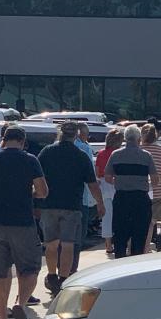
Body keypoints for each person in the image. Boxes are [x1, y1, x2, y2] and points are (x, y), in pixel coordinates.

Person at [0, 125, 48, 319]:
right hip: (23, 222)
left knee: (0, 271)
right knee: (29, 268)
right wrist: (30, 193)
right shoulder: (30, 160)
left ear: (3, 139)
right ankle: (21, 303)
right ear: (23, 141)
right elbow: (43, 192)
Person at [38, 121, 104, 294]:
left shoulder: (47, 152)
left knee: (51, 244)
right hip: (72, 205)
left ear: (60, 133)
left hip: (49, 204)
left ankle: (51, 275)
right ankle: (63, 278)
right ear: (76, 135)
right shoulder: (81, 155)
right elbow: (92, 184)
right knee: (68, 244)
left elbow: (36, 175)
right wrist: (100, 203)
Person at [104, 124, 156, 258]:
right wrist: (145, 184)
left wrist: (120, 182)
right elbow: (155, 179)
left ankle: (120, 262)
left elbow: (108, 176)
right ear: (139, 138)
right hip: (140, 199)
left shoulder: (116, 155)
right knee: (139, 235)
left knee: (120, 235)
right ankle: (135, 263)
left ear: (125, 139)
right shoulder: (146, 156)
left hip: (122, 198)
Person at [140, 123, 161, 251]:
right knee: (153, 221)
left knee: (139, 220)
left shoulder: (138, 149)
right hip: (160, 190)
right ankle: (147, 246)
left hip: (141, 189)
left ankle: (135, 246)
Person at [95, 127, 124, 256]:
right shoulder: (119, 154)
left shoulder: (101, 153)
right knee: (119, 215)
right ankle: (119, 241)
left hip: (103, 185)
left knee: (107, 217)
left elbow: (97, 172)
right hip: (116, 184)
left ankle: (108, 245)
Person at [74, 121, 97, 270]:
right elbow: (90, 175)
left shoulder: (51, 149)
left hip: (60, 199)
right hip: (81, 198)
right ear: (81, 134)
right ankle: (72, 267)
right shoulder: (84, 149)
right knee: (78, 236)